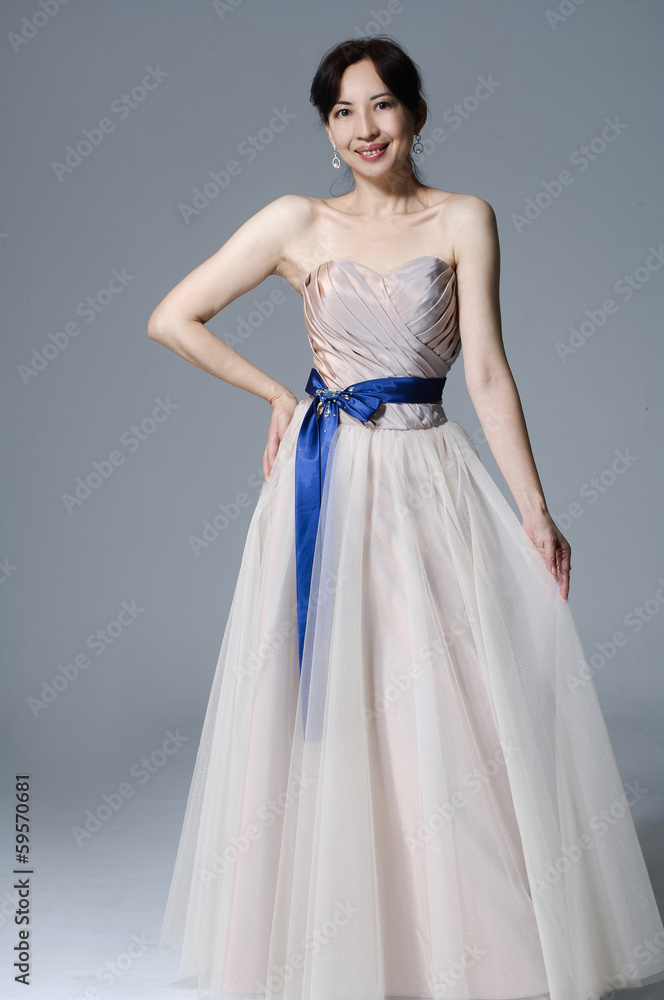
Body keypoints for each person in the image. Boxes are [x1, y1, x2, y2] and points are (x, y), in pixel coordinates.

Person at [148, 35, 664, 1000]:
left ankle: (462, 942)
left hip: (433, 478)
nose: (363, 128)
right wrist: (277, 398)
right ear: (326, 130)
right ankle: (341, 933)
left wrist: (537, 513)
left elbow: (487, 373)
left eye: (381, 105)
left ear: (416, 114)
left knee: (445, 702)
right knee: (345, 700)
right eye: (341, 112)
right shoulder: (298, 222)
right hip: (332, 483)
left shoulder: (465, 217)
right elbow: (173, 317)